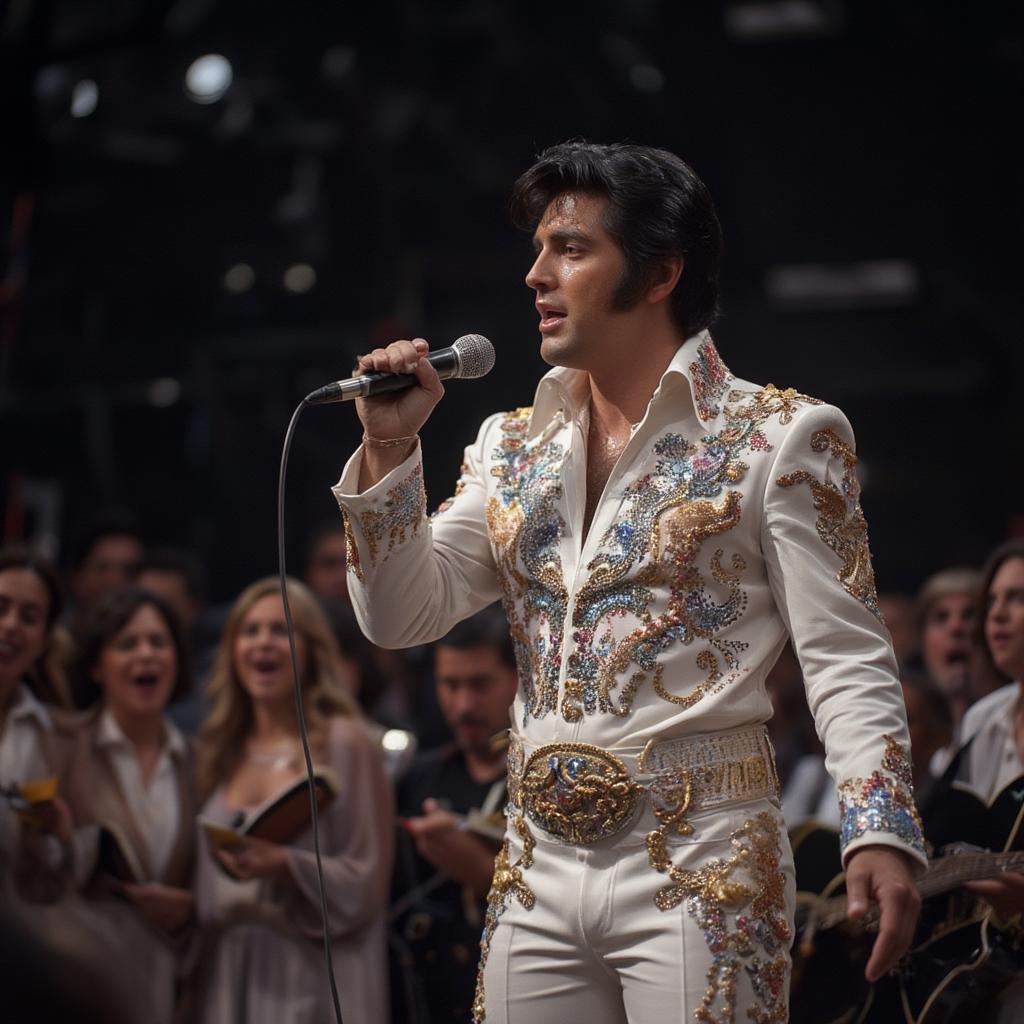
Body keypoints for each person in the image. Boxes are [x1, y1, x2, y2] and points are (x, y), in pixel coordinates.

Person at [331, 140, 925, 1023]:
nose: (536, 274)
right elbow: (399, 615)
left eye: (570, 248)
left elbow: (844, 653)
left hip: (704, 857)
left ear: (659, 274)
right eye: (537, 248)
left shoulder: (780, 437)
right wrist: (388, 448)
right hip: (534, 863)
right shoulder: (511, 444)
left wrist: (880, 825)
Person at [189, 576, 393, 1024]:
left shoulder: (345, 741)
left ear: (311, 650)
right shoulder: (220, 747)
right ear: (232, 650)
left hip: (310, 975)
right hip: (227, 969)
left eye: (281, 630)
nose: (264, 643)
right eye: (250, 631)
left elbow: (367, 880)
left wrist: (283, 864)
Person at [61, 586, 196, 1024]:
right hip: (74, 983)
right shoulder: (61, 747)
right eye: (127, 644)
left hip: (166, 987)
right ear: (97, 666)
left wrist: (191, 908)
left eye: (159, 642)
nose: (147, 655)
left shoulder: (198, 760)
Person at [392, 604, 517, 1024]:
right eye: (450, 685)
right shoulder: (420, 777)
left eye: (481, 685)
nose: (463, 704)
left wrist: (481, 871)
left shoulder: (541, 782)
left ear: (521, 678)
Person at [0, 545, 74, 908]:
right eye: (1, 608)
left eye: (29, 617)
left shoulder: (57, 738)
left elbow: (55, 881)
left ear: (43, 641)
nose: (11, 624)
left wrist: (55, 836)